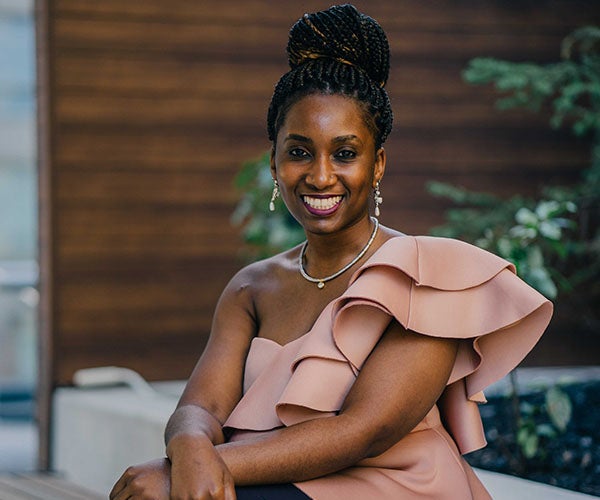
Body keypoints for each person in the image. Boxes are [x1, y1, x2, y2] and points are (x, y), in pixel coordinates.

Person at [110, 4, 553, 499]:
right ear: (274, 162)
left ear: (378, 163)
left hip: (389, 486)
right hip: (274, 480)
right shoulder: (252, 287)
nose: (321, 176)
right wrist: (190, 446)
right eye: (299, 151)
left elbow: (364, 431)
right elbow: (203, 407)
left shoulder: (428, 272)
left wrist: (187, 473)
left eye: (345, 153)